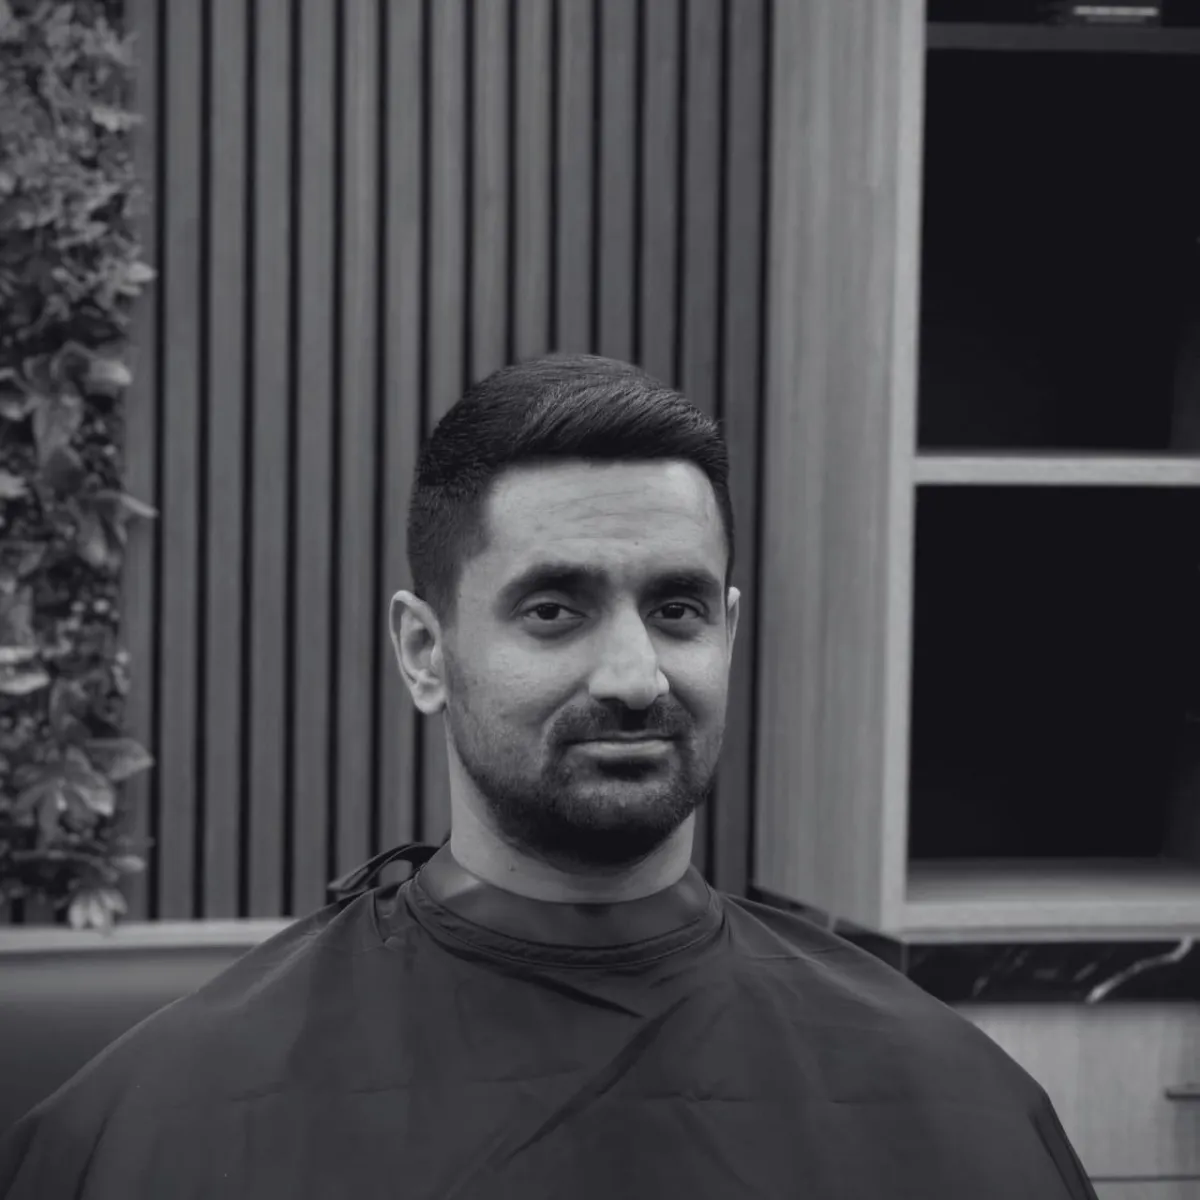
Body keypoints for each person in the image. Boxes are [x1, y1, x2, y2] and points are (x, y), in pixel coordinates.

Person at [0, 354, 1097, 1199]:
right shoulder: (163, 1123)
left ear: (729, 630)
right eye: (554, 610)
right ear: (424, 653)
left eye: (675, 609)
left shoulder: (955, 1103)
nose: (632, 676)